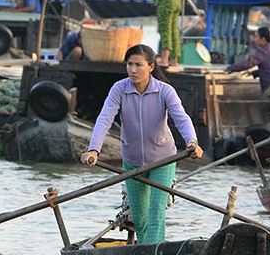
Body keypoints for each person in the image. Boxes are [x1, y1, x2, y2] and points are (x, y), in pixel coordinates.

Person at [81, 44, 203, 244]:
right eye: (129, 64)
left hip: (162, 161)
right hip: (132, 161)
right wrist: (94, 149)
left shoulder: (165, 91)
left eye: (138, 65)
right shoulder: (119, 89)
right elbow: (104, 119)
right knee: (139, 218)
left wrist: (192, 141)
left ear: (151, 67)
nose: (133, 69)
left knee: (156, 211)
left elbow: (181, 118)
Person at [226, 27, 270, 121]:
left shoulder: (264, 51)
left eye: (256, 37)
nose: (255, 40)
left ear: (263, 39)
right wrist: (254, 73)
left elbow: (249, 63)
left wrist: (230, 68)